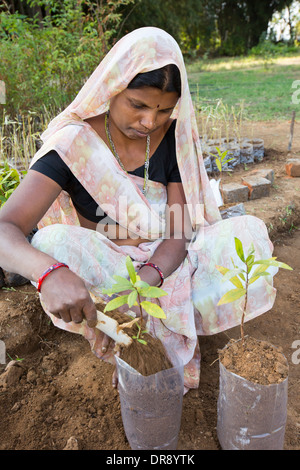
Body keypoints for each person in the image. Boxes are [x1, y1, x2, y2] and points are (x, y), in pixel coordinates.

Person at [0, 27, 277, 392]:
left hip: (170, 262)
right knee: (52, 241)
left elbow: (178, 234)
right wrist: (47, 273)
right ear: (111, 88)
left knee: (250, 233)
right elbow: (6, 227)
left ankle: (159, 334)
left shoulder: (174, 140)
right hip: (108, 265)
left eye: (164, 109)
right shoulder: (73, 145)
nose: (150, 122)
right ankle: (121, 330)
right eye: (138, 105)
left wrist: (145, 283)